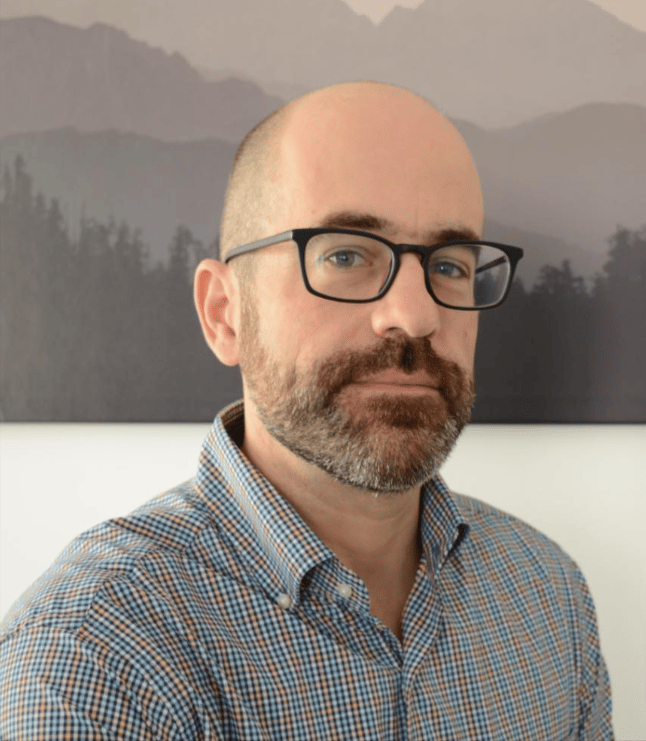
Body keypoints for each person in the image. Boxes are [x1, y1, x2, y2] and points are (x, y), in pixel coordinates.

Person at [0, 82, 613, 740]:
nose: (416, 315)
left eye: (452, 265)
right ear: (224, 312)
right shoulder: (92, 657)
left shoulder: (548, 596)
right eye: (346, 255)